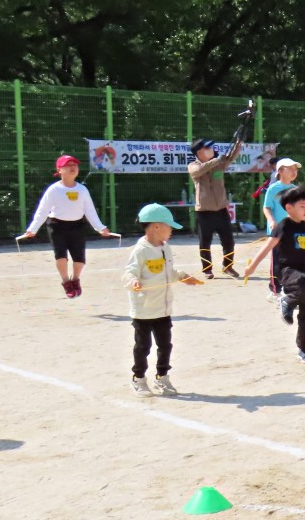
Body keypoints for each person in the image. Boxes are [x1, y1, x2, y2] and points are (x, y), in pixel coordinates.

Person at [123, 203, 204, 396]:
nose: (171, 231)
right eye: (169, 227)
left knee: (165, 345)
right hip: (144, 310)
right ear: (156, 226)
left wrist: (183, 276)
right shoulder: (140, 250)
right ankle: (139, 378)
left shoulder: (166, 248)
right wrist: (133, 282)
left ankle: (162, 377)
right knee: (143, 347)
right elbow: (129, 272)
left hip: (163, 309)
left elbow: (169, 272)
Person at [242, 186, 305, 364]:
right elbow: (267, 248)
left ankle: (303, 349)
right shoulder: (283, 226)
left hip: (303, 273)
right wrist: (252, 268)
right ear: (289, 208)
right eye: (302, 206)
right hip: (286, 271)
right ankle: (286, 301)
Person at [22, 154, 114, 297]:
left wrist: (100, 227)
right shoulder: (53, 190)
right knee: (61, 257)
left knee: (79, 260)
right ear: (59, 170)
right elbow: (43, 210)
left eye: (75, 165)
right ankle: (66, 282)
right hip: (56, 226)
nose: (72, 168)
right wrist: (32, 229)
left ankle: (75, 280)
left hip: (77, 227)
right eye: (68, 165)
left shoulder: (82, 190)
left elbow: (89, 210)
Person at [188, 135, 243, 278]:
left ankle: (228, 266)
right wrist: (216, 160)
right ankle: (207, 269)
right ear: (199, 152)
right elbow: (198, 171)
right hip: (204, 212)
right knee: (205, 242)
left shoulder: (218, 164)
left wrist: (238, 142)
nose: (211, 150)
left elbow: (231, 157)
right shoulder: (193, 166)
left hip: (221, 211)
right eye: (207, 148)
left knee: (229, 241)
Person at [261, 157, 301, 296]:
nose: (293, 172)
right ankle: (274, 291)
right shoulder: (273, 189)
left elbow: (297, 210)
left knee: (292, 261)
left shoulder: (295, 189)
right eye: (290, 169)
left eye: (295, 169)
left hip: (292, 231)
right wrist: (271, 221)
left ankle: (289, 290)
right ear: (280, 171)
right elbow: (266, 208)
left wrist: (304, 220)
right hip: (276, 232)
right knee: (276, 261)